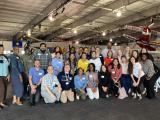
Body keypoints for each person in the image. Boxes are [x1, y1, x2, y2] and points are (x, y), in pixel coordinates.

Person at [0, 44, 10, 109]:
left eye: (2, 49)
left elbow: (8, 67)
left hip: (5, 76)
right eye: (0, 49)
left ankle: (2, 101)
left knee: (5, 89)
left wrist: (9, 74)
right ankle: (0, 102)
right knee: (2, 89)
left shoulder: (6, 57)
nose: (2, 50)